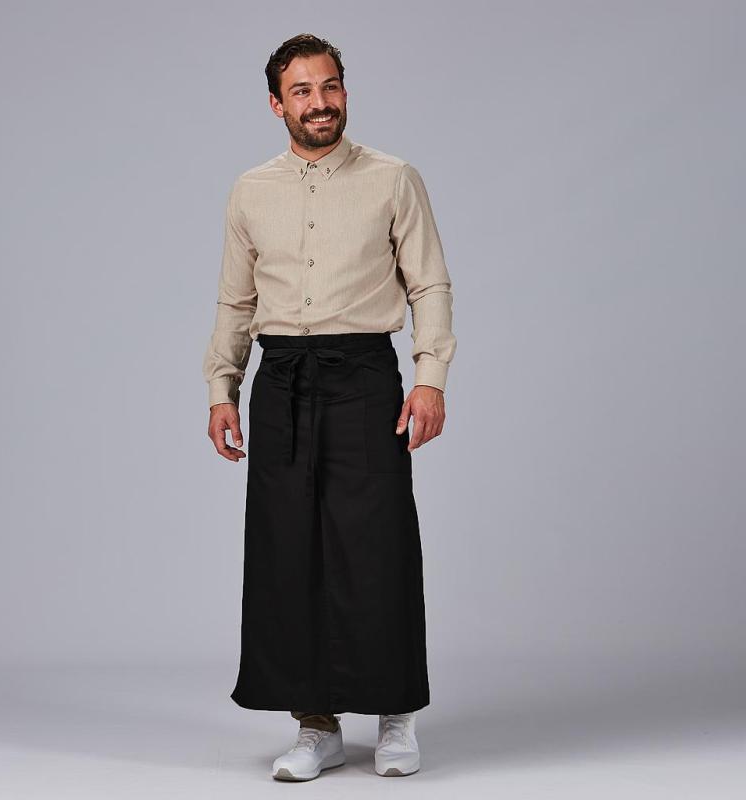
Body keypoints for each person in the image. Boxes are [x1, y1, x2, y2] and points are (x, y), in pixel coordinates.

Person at [202, 33, 457, 781]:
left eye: (331, 86)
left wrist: (430, 377)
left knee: (377, 545)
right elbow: (235, 301)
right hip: (281, 375)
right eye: (303, 91)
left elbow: (429, 284)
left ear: (345, 90)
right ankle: (315, 724)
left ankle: (395, 715)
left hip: (364, 374)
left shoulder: (393, 178)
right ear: (276, 104)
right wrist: (222, 387)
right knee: (289, 552)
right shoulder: (251, 190)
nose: (320, 103)